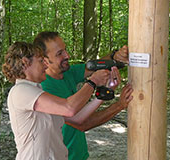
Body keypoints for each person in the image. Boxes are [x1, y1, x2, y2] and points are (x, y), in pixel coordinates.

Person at [2, 42, 111, 160]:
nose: (46, 65)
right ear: (25, 63)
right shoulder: (21, 91)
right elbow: (69, 108)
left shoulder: (38, 92)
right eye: (40, 61)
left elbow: (76, 118)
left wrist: (102, 96)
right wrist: (93, 81)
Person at [33, 31, 133, 160]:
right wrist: (119, 105)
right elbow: (82, 123)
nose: (67, 55)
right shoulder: (45, 88)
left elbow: (96, 65)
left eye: (65, 50)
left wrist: (115, 56)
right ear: (45, 60)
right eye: (59, 53)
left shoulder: (67, 72)